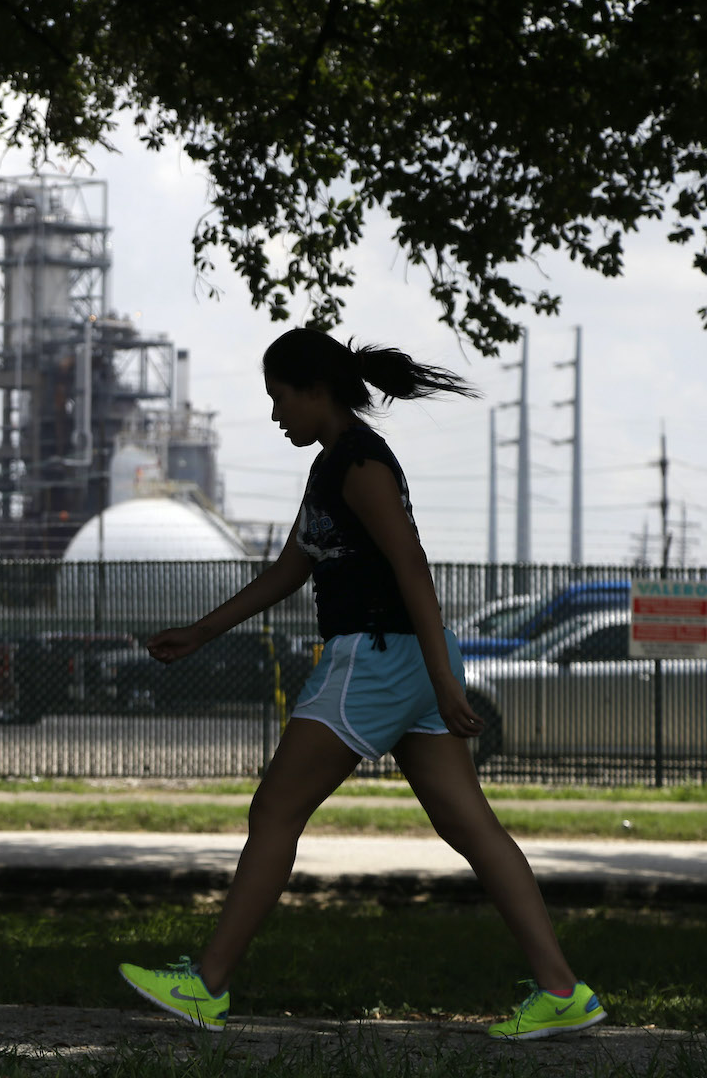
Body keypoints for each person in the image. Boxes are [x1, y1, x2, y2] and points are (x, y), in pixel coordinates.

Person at [117, 329, 605, 1042]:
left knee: (275, 811)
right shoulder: (333, 465)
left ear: (316, 392)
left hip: (374, 661)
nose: (277, 414)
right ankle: (562, 990)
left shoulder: (360, 462)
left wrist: (444, 683)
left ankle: (208, 985)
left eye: (281, 400)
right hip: (402, 664)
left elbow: (413, 568)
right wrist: (201, 632)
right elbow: (290, 569)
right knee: (471, 827)